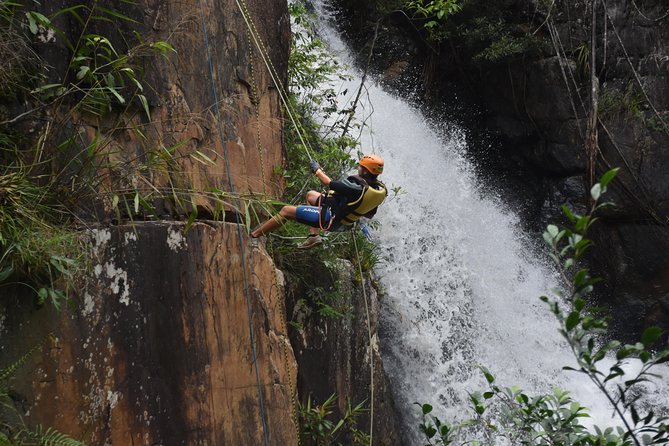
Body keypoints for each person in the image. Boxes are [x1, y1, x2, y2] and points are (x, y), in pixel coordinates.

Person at [250, 154, 387, 249]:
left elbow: (329, 183)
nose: (358, 168)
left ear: (365, 171)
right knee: (310, 195)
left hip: (331, 218)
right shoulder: (376, 190)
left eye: (360, 167)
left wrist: (317, 170)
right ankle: (313, 236)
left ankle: (253, 236)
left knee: (286, 211)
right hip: (345, 222)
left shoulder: (356, 186)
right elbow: (368, 213)